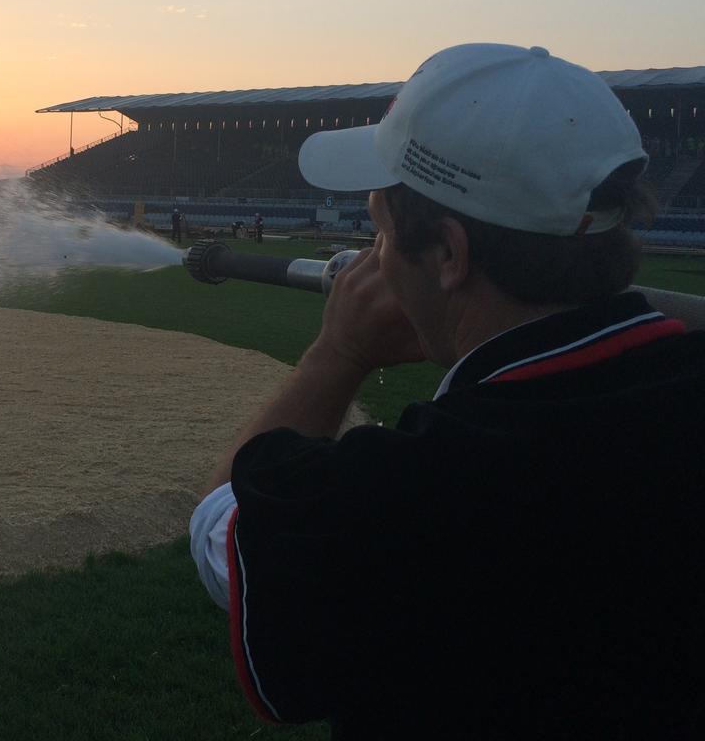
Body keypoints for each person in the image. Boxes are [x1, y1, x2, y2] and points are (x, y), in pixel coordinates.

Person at [189, 44, 705, 739]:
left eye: (379, 231)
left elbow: (224, 526)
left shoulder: (411, 488)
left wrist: (335, 355)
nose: (375, 258)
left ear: (449, 255)